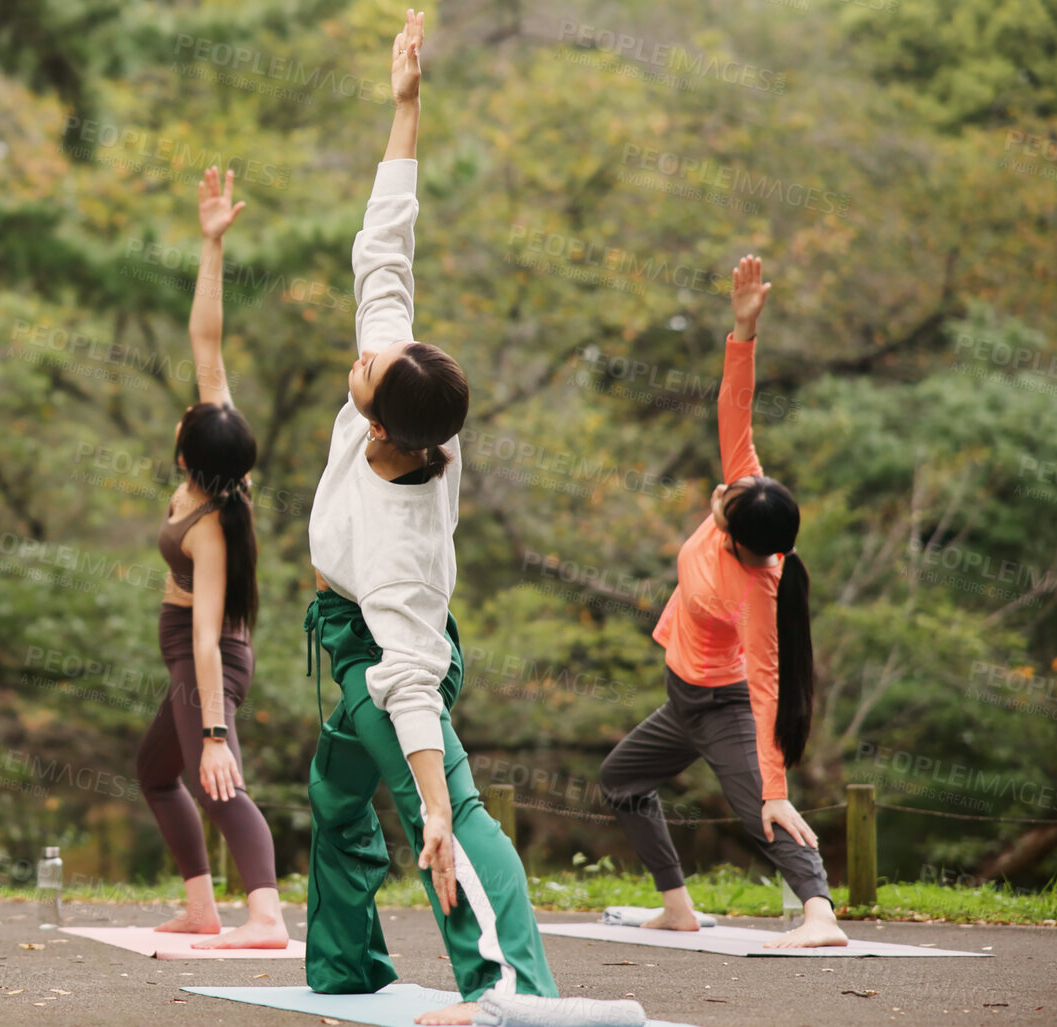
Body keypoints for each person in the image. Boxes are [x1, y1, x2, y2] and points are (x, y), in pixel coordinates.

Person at [302, 15, 645, 1027]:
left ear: (387, 418)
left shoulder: (404, 538)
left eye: (368, 363)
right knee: (331, 790)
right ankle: (346, 966)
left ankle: (506, 992)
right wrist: (406, 106)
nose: (360, 352)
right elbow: (386, 254)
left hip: (386, 649)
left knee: (444, 810)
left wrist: (439, 802)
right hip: (350, 636)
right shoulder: (397, 409)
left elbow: (407, 676)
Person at [597, 255, 848, 950]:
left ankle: (819, 915)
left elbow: (766, 688)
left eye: (724, 506)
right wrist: (742, 332)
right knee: (619, 781)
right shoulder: (749, 487)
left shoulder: (756, 589)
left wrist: (774, 783)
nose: (718, 494)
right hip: (681, 696)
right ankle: (676, 905)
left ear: (740, 542)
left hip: (722, 703)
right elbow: (732, 409)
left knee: (758, 811)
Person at [134, 166, 288, 949]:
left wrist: (218, 730)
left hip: (208, 659)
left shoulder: (209, 524)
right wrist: (211, 243)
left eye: (190, 414)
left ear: (186, 453)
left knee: (213, 779)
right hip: (186, 649)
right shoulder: (222, 461)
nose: (193, 405)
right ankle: (202, 905)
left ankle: (264, 915)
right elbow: (206, 337)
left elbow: (204, 636)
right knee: (154, 771)